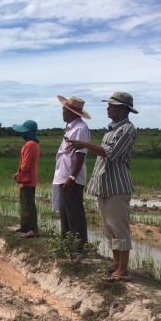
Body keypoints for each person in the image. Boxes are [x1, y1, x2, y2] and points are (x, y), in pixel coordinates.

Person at [67, 92, 138, 282]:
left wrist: (86, 144)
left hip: (117, 186)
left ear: (122, 109)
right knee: (109, 227)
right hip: (105, 185)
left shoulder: (127, 129)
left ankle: (123, 269)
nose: (108, 108)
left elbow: (111, 153)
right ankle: (115, 263)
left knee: (119, 227)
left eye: (111, 106)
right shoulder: (111, 129)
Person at [54, 96, 91, 255]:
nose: (62, 113)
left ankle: (79, 248)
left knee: (74, 213)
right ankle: (67, 245)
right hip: (63, 176)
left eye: (64, 110)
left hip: (71, 179)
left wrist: (72, 178)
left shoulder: (80, 129)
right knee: (65, 213)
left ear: (70, 112)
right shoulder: (70, 128)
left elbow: (80, 156)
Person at [12, 120, 40, 238]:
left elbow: (25, 165)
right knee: (24, 203)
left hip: (28, 179)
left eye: (24, 132)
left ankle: (33, 229)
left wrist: (19, 173)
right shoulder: (34, 144)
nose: (22, 134)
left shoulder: (29, 145)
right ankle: (25, 226)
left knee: (29, 204)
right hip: (29, 178)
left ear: (29, 133)